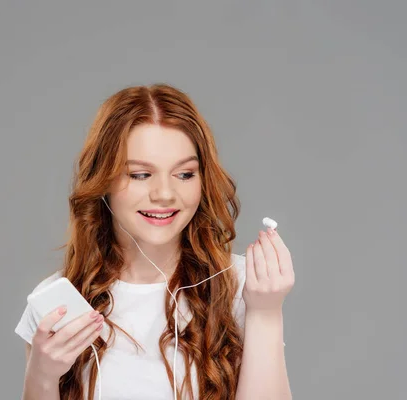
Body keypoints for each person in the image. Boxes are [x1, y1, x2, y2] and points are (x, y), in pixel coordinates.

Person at [15, 84, 294, 400]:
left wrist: (266, 313)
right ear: (102, 180)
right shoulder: (58, 304)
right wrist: (42, 374)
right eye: (140, 175)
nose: (164, 194)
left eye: (185, 174)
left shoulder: (244, 286)